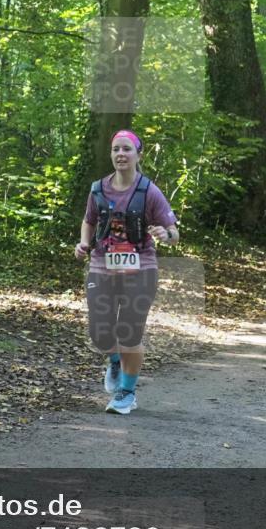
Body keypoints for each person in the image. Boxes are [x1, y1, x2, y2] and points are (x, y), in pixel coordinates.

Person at [73, 130, 180, 414]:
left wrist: (164, 233)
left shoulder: (149, 191)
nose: (121, 154)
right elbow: (89, 221)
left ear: (137, 155)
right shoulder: (98, 189)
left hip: (140, 269)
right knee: (100, 334)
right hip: (102, 267)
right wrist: (84, 243)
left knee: (130, 332)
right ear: (111, 154)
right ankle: (115, 360)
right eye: (116, 149)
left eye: (127, 149)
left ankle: (127, 393)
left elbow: (173, 233)